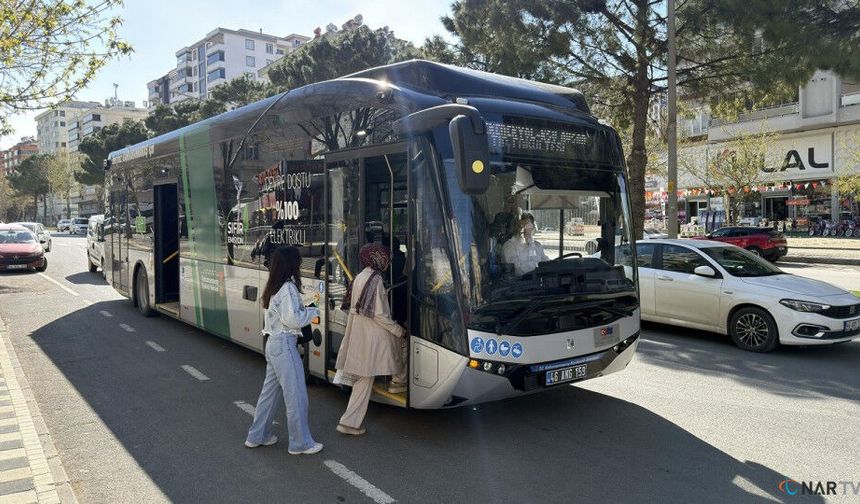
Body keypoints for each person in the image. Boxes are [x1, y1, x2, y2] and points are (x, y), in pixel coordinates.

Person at [245, 246, 323, 455]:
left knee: (269, 395)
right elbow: (293, 319)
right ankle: (300, 443)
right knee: (296, 395)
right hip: (285, 345)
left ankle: (257, 435)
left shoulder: (274, 286)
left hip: (273, 345)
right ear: (291, 264)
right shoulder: (288, 287)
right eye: (298, 261)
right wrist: (313, 310)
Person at [334, 243, 407, 436]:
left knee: (363, 380)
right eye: (385, 258)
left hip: (360, 334)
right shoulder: (376, 280)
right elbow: (380, 315)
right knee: (400, 349)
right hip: (372, 336)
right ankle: (398, 382)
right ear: (377, 259)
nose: (388, 262)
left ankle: (349, 421)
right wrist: (399, 330)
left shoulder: (361, 276)